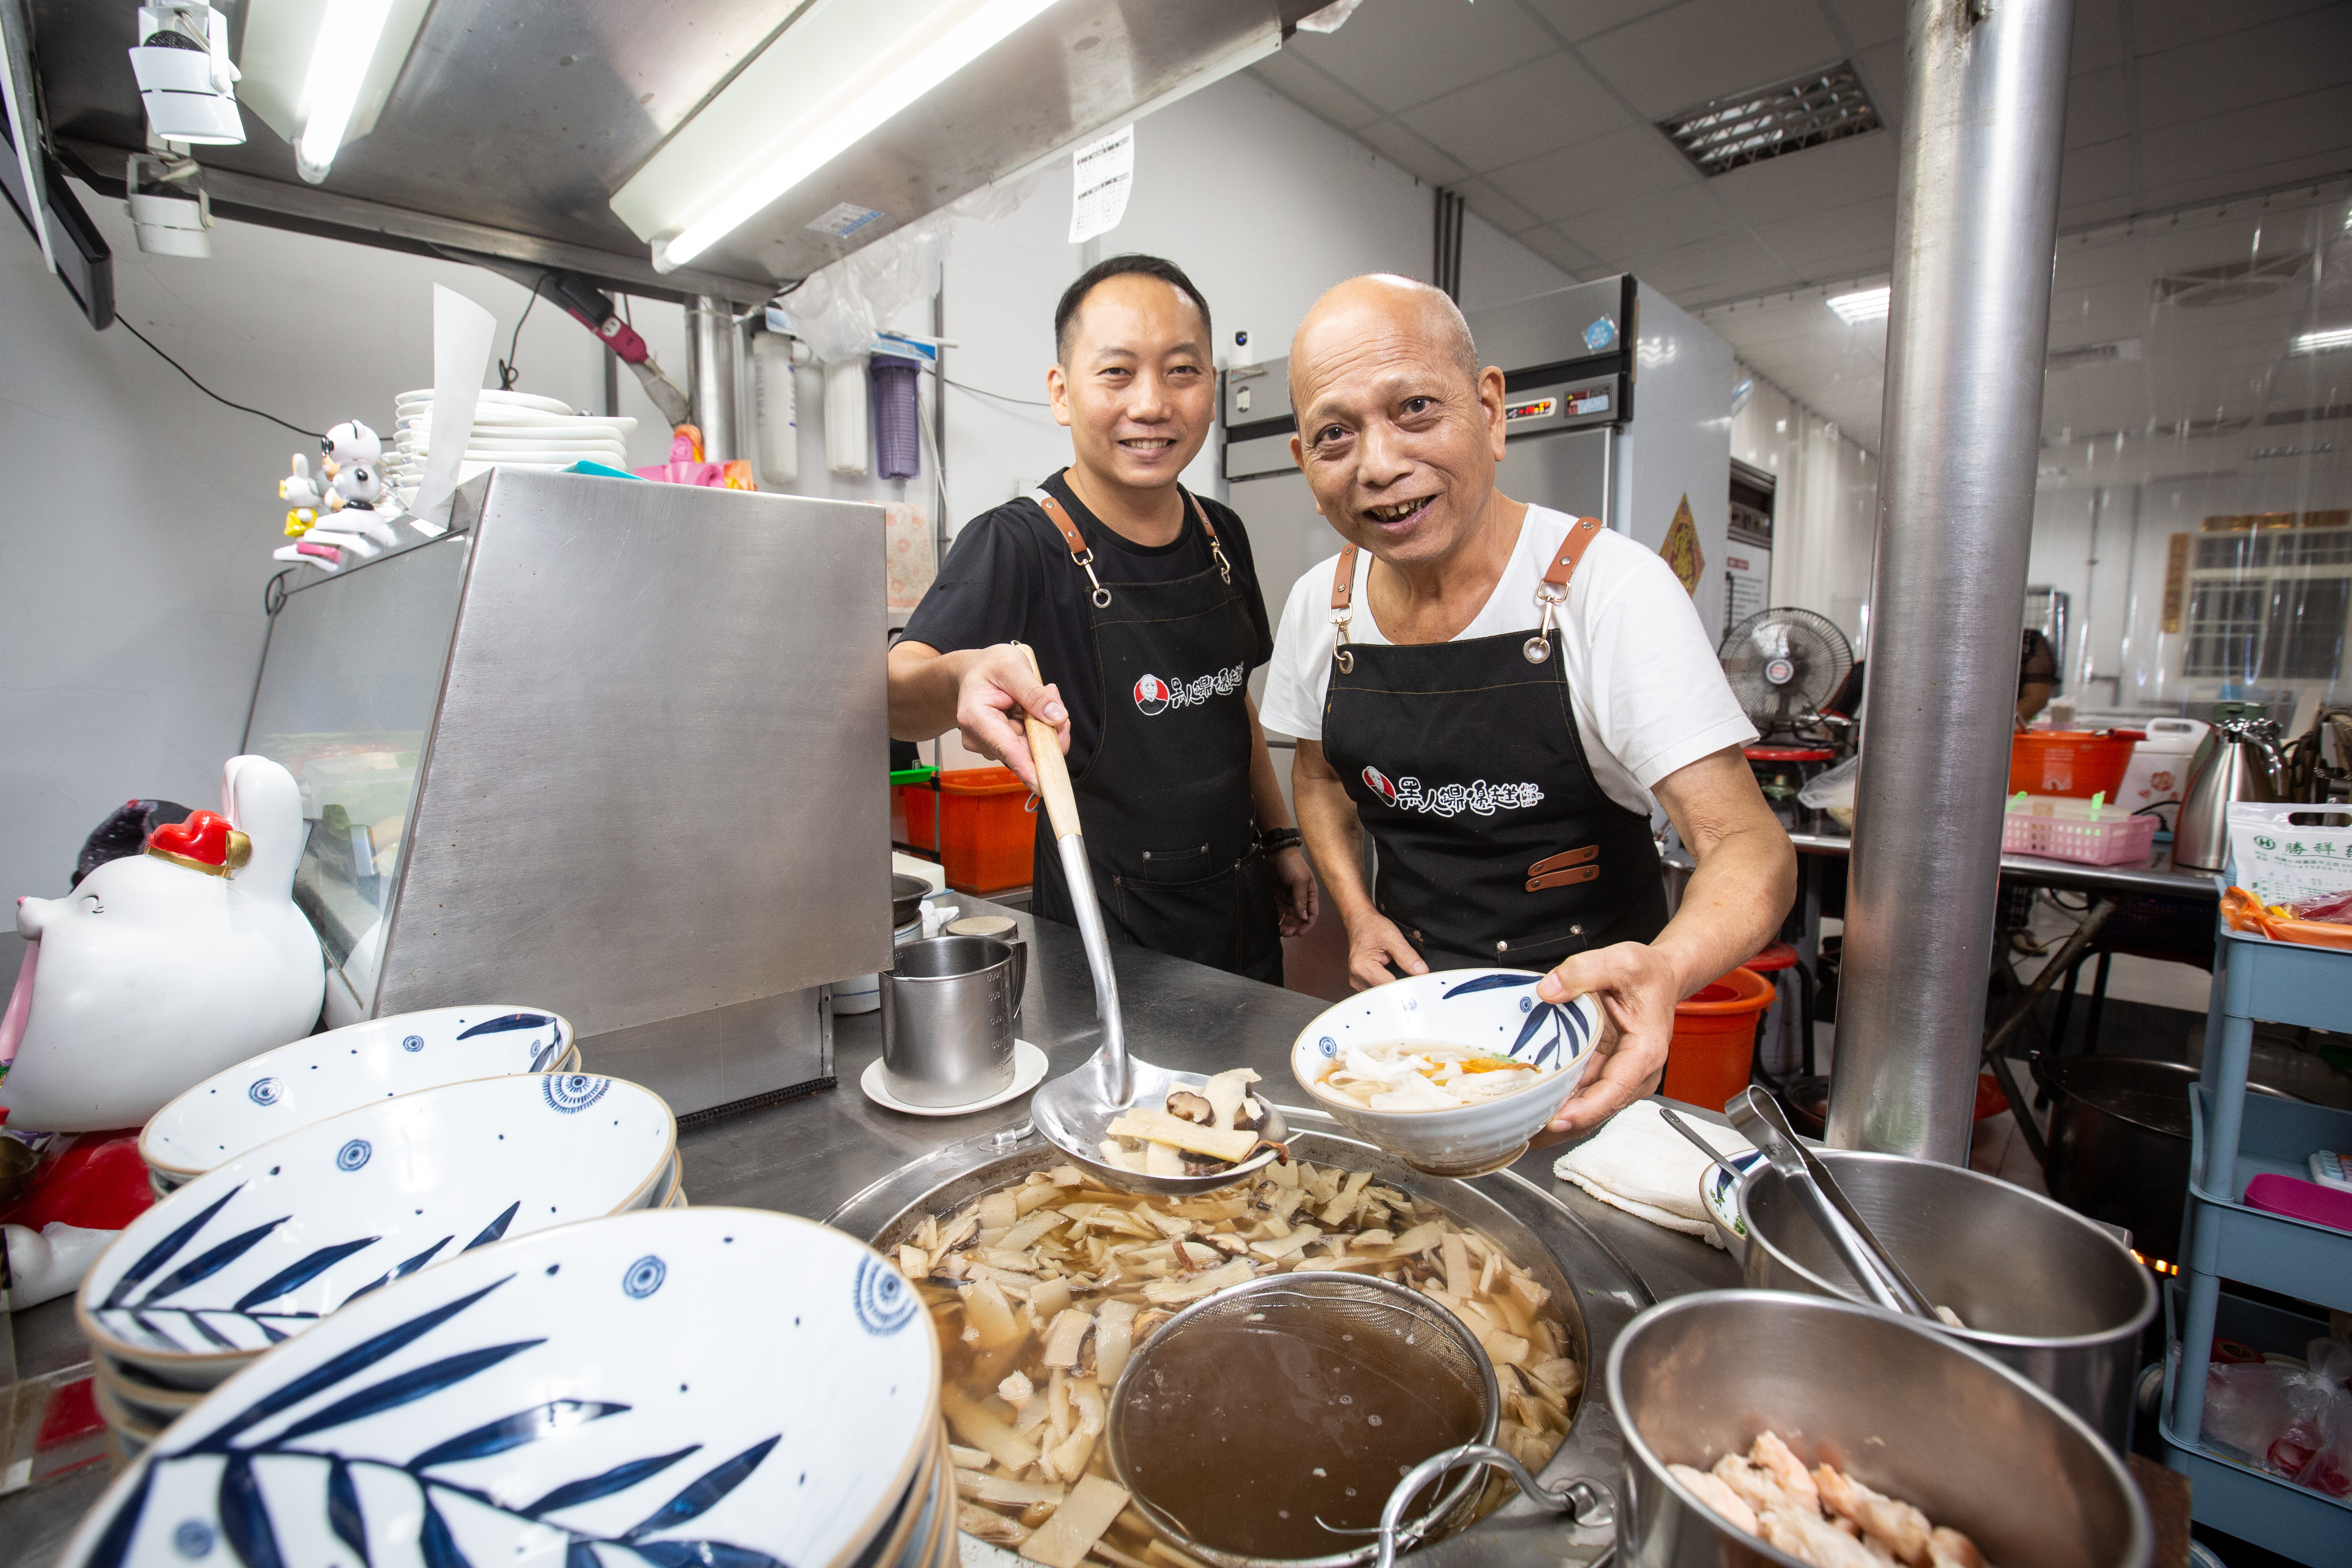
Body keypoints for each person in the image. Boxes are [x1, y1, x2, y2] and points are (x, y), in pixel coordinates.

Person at [1259, 275, 1796, 1136]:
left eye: (1417, 410)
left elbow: (1749, 846)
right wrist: (1358, 916)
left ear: (1492, 410)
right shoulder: (1320, 604)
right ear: (1305, 462)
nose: (1381, 464)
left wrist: (1662, 971)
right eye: (1336, 434)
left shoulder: (1611, 590)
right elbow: (1319, 776)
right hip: (1413, 1044)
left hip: (1585, 1048)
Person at [889, 255, 1316, 981]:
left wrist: (1279, 838)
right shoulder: (1018, 542)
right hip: (1108, 930)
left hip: (1239, 911)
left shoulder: (1222, 534)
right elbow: (896, 692)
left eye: (1182, 371)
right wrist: (960, 673)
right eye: (1117, 373)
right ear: (1062, 392)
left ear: (1211, 387)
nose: (1151, 404)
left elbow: (1226, 698)